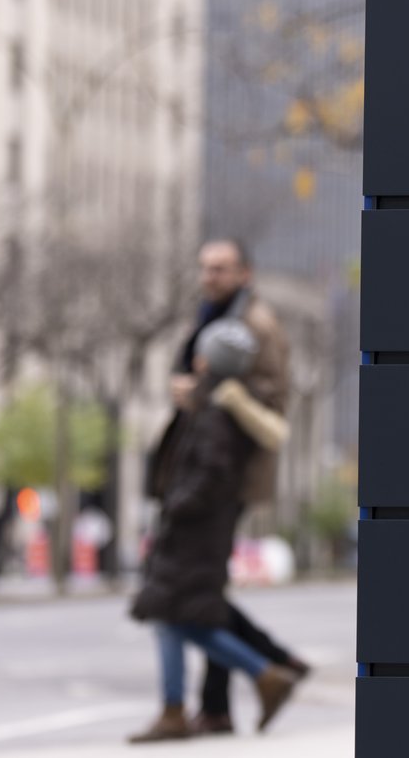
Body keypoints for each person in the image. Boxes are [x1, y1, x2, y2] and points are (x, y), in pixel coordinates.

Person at [129, 319, 298, 744]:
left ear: (205, 361)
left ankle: (262, 676)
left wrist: (177, 508)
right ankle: (179, 707)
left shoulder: (215, 415)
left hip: (193, 535)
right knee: (173, 617)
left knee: (174, 615)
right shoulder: (215, 408)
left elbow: (208, 475)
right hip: (198, 533)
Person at [168, 238, 310, 736]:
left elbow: (273, 397)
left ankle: (262, 671)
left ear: (245, 273)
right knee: (204, 592)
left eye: (222, 268)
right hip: (204, 470)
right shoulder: (210, 315)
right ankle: (232, 694)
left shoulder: (256, 324)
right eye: (206, 266)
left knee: (190, 595)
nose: (210, 275)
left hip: (228, 475)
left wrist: (205, 390)